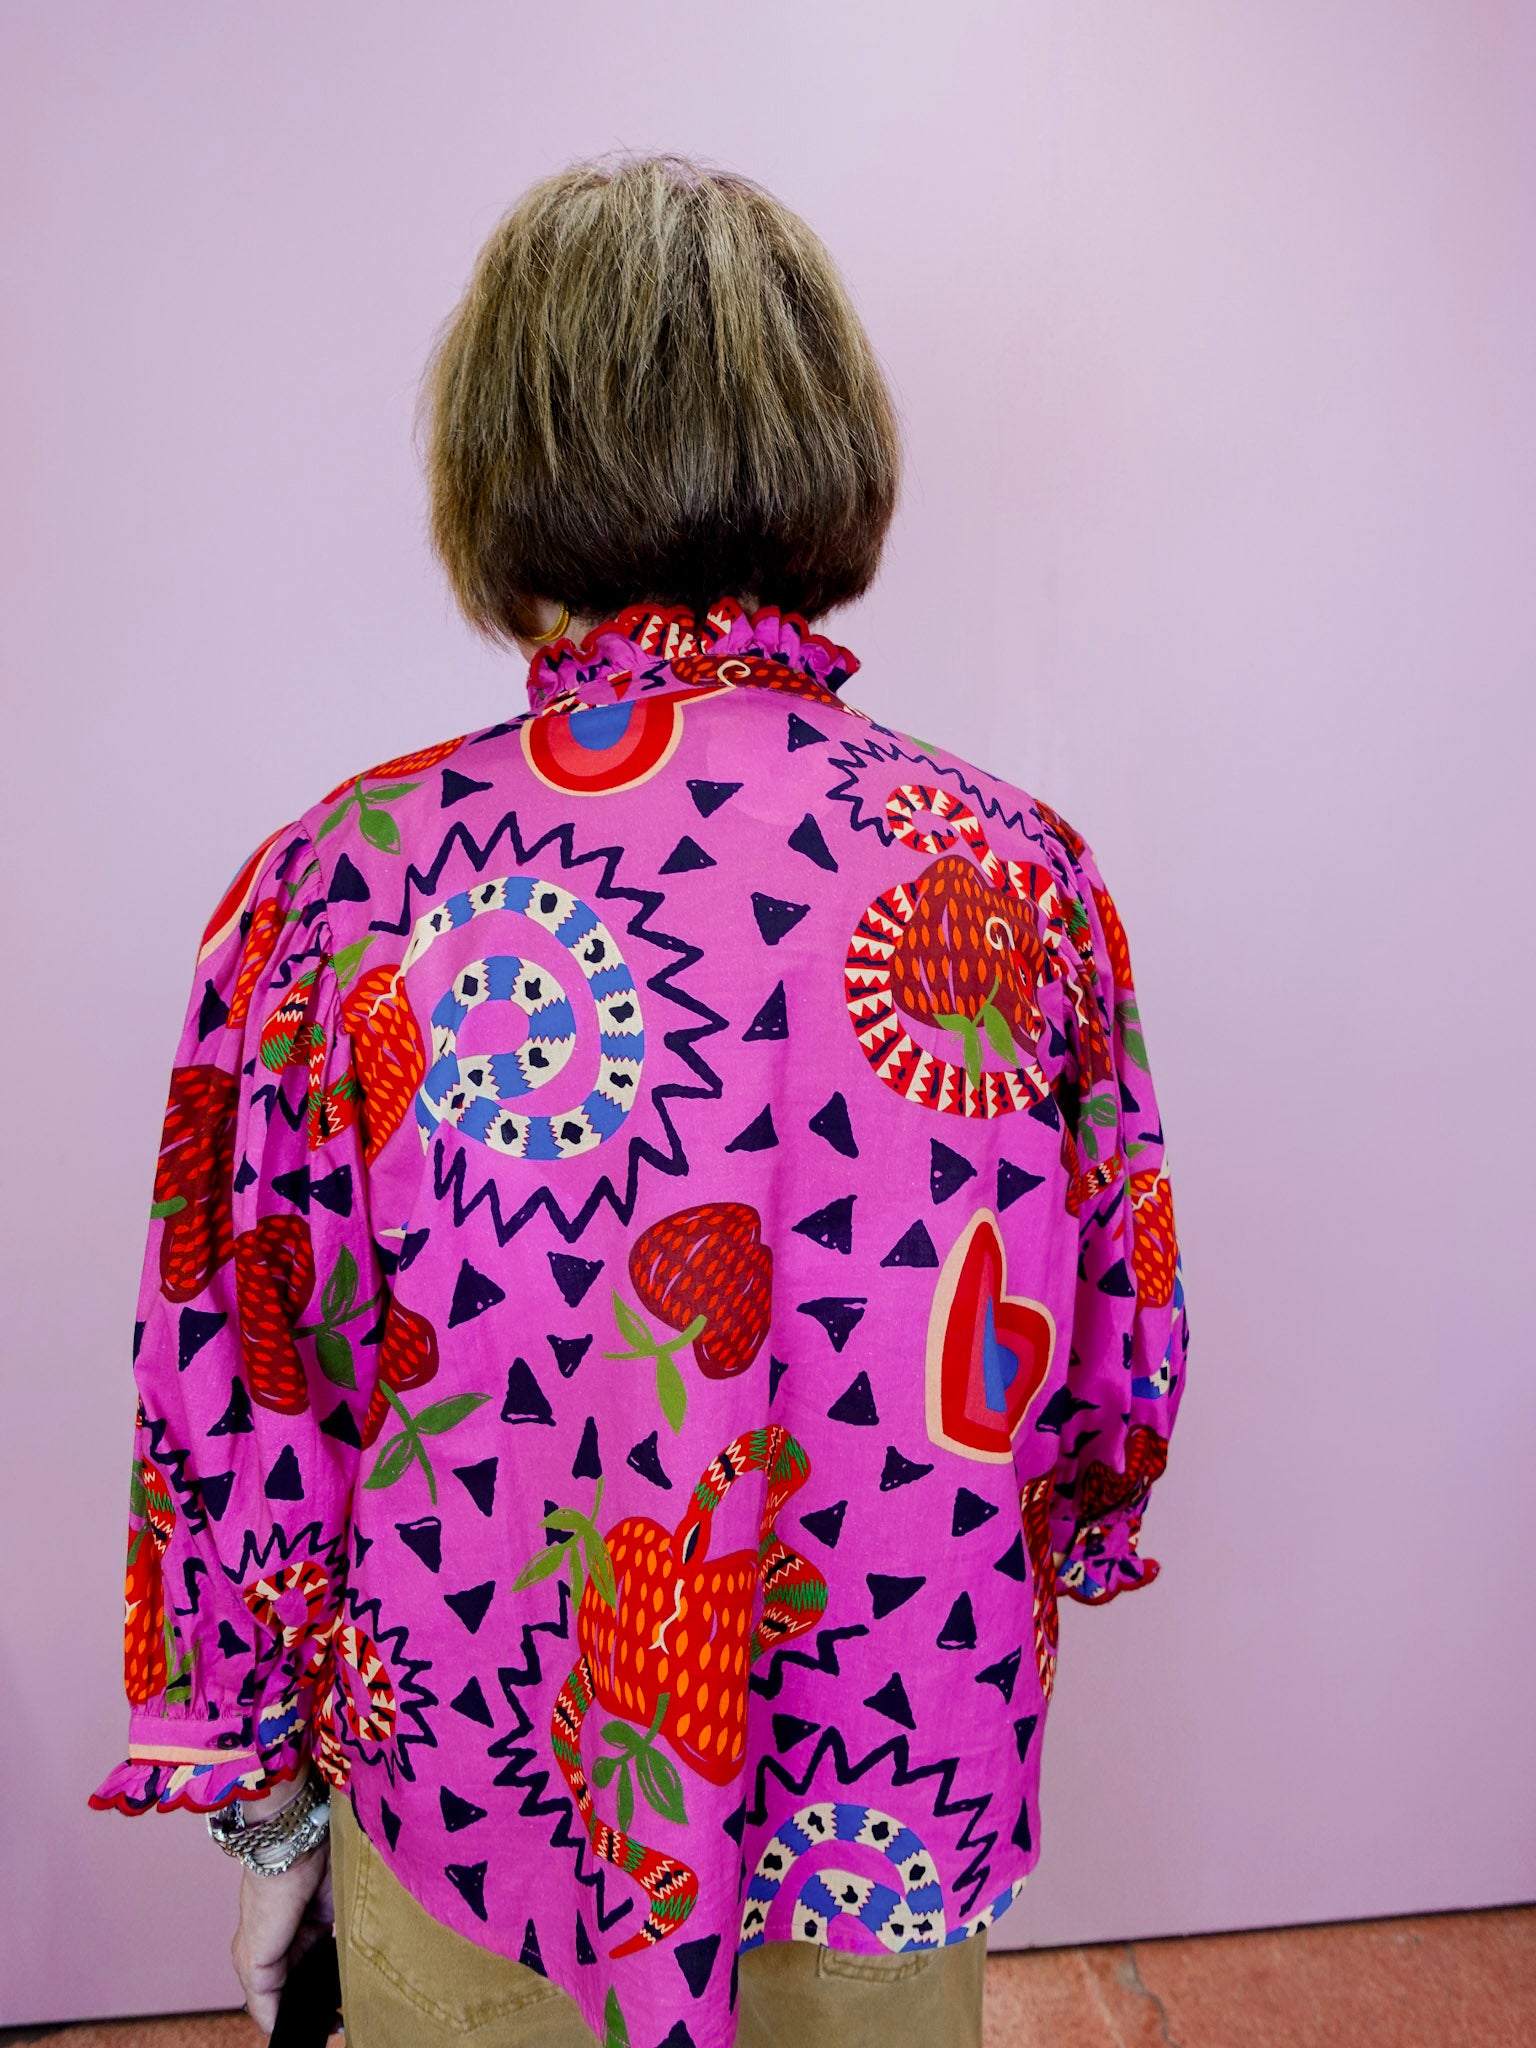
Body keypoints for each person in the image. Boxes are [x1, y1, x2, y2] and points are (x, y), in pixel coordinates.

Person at [92, 155, 1188, 2048]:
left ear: (498, 460)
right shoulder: (1020, 879)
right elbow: (1119, 1370)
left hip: (476, 1824)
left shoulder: (337, 887)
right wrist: (1029, 1543)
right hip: (885, 1800)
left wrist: (265, 1805)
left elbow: (243, 1392)